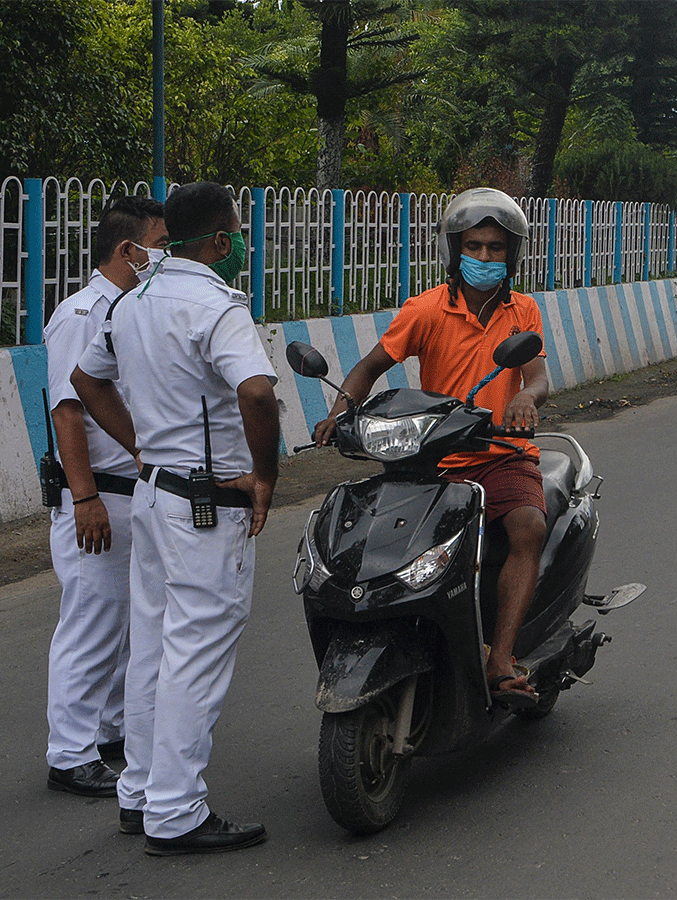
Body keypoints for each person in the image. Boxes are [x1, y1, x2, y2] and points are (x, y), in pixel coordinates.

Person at [72, 181, 280, 856]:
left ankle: (140, 795)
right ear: (220, 240)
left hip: (156, 494)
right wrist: (266, 475)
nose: (241, 242)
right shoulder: (218, 307)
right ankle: (177, 812)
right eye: (237, 233)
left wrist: (139, 444)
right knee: (196, 653)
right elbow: (256, 390)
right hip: (205, 505)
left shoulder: (133, 302)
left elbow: (86, 380)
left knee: (155, 650)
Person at [313, 187, 548, 709]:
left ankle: (501, 659)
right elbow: (371, 367)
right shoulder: (425, 309)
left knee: (528, 526)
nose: (484, 257)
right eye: (474, 246)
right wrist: (338, 413)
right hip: (431, 459)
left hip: (499, 454)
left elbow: (538, 376)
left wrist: (526, 400)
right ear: (454, 250)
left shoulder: (523, 310)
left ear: (512, 254)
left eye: (495, 248)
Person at [43, 196, 168, 798]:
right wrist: (84, 496)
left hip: (132, 490)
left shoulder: (130, 309)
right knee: (90, 625)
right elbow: (68, 413)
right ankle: (69, 754)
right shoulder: (81, 315)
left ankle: (109, 733)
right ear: (129, 251)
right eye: (159, 244)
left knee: (126, 624)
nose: (163, 255)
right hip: (97, 496)